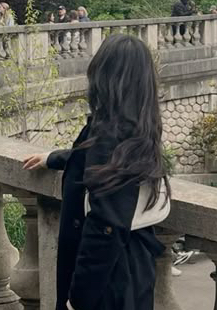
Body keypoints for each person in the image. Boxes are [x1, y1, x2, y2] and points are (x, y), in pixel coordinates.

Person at [23, 35, 170, 310]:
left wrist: (78, 298)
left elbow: (106, 227)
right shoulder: (136, 129)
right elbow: (96, 161)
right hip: (131, 271)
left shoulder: (111, 135)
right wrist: (55, 158)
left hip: (108, 283)